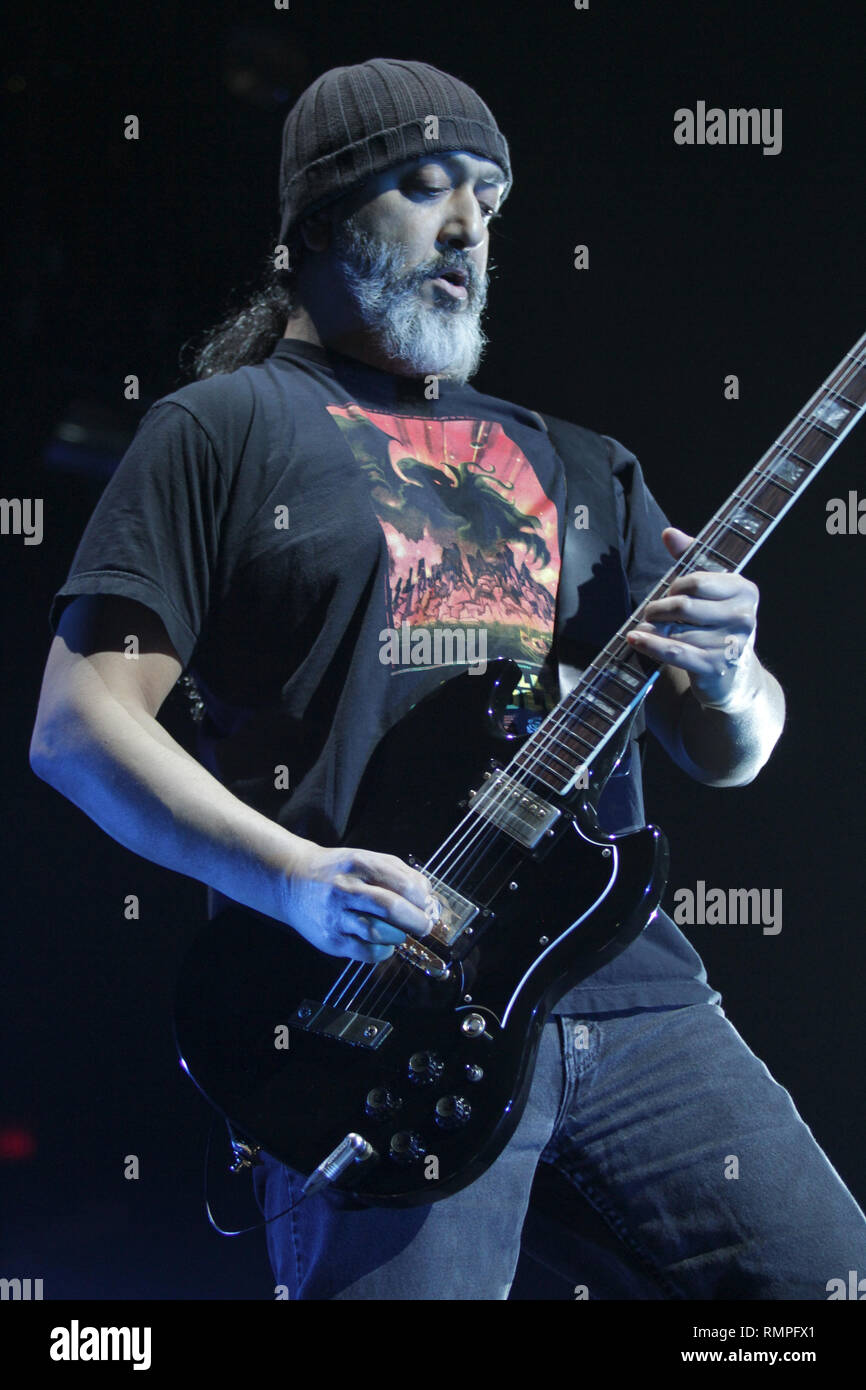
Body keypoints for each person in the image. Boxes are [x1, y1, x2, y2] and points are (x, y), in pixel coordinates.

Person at [31, 58, 866, 1300]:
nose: (469, 224)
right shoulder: (222, 428)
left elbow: (731, 746)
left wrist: (734, 670)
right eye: (424, 186)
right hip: (373, 1011)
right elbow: (79, 725)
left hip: (631, 995)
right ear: (316, 222)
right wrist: (295, 882)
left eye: (488, 192)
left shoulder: (580, 462)